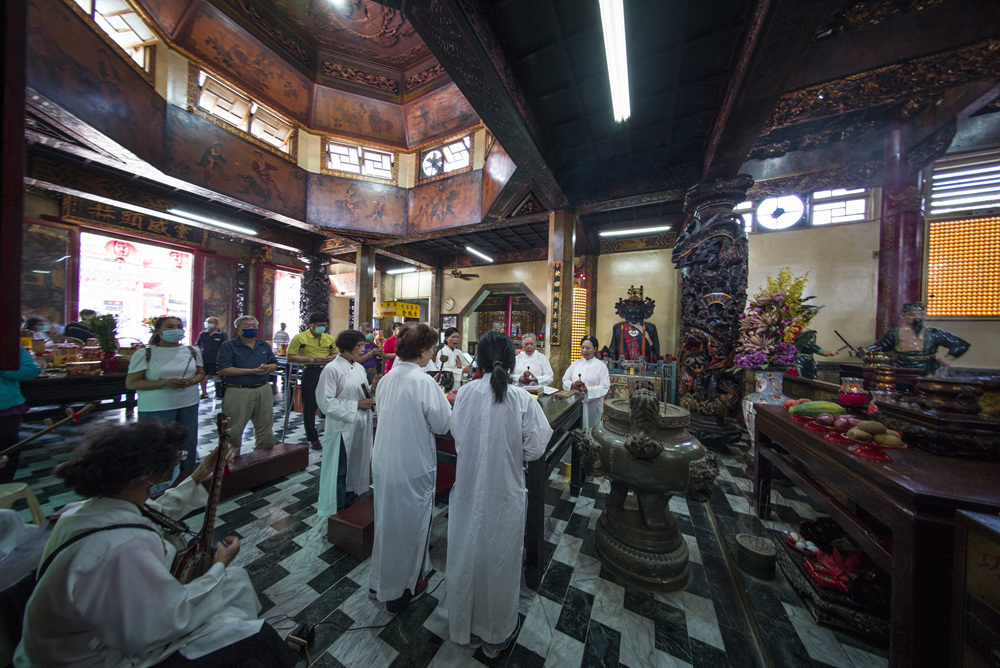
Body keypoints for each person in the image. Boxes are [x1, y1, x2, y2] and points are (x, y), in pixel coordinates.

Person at [14, 421, 297, 668]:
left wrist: (201, 473)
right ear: (145, 474)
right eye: (176, 457)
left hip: (102, 633)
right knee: (254, 637)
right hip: (97, 657)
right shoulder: (122, 548)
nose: (177, 460)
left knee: (235, 581)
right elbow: (165, 620)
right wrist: (219, 563)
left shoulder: (93, 506)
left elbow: (154, 509)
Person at [442, 331, 552, 657]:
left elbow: (457, 435)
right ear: (512, 359)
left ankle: (465, 624)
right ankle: (496, 631)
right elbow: (534, 449)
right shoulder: (520, 399)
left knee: (467, 552)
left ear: (480, 360)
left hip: (468, 491)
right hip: (504, 491)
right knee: (500, 560)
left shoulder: (464, 394)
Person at [369, 324, 451, 614]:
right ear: (422, 350)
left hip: (385, 462)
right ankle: (401, 590)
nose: (432, 354)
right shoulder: (423, 381)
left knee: (387, 523)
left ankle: (380, 580)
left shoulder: (388, 378)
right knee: (410, 527)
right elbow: (442, 424)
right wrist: (440, 394)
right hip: (412, 465)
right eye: (431, 349)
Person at [125, 316, 204, 471]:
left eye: (179, 326)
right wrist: (164, 383)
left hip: (188, 402)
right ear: (158, 330)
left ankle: (187, 476)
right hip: (157, 406)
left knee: (188, 442)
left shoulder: (192, 351)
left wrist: (193, 380)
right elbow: (132, 383)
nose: (175, 330)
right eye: (169, 326)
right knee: (158, 444)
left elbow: (201, 373)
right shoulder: (144, 354)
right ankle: (159, 482)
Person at [315, 330, 374, 516]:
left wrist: (374, 389)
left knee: (356, 465)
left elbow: (362, 393)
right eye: (360, 346)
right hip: (343, 427)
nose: (363, 349)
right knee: (341, 469)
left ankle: (351, 502)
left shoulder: (358, 367)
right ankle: (337, 508)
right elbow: (326, 402)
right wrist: (356, 405)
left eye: (363, 345)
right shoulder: (332, 369)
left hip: (360, 424)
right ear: (347, 347)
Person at [216, 316, 278, 454]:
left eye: (254, 326)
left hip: (263, 388)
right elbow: (224, 369)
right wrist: (251, 371)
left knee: (265, 426)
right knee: (233, 429)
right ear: (238, 330)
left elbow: (274, 363)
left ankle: (264, 457)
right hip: (238, 391)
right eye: (247, 326)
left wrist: (268, 368)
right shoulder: (229, 346)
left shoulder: (263, 345)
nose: (251, 329)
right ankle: (230, 460)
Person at [857, 301, 970, 376]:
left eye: (920, 314)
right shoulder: (893, 333)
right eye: (912, 314)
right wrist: (864, 351)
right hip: (900, 369)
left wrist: (949, 358)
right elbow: (881, 346)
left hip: (927, 370)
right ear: (903, 316)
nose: (917, 318)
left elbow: (961, 344)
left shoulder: (934, 333)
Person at [286, 312, 337, 450]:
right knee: (310, 405)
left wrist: (331, 358)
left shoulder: (328, 338)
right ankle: (313, 438)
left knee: (331, 401)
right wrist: (311, 359)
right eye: (319, 325)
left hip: (327, 371)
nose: (322, 327)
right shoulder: (300, 338)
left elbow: (335, 352)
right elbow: (290, 357)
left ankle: (333, 434)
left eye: (324, 325)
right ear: (311, 325)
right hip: (311, 371)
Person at [0, 347, 42, 484]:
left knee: (7, 454)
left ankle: (4, 491)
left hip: (6, 409)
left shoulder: (9, 346)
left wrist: (6, 369)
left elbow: (33, 370)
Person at [562, 335, 612, 429]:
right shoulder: (575, 364)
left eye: (588, 348)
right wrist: (572, 384)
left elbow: (604, 387)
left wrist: (587, 390)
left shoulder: (601, 366)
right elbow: (565, 380)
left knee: (590, 431)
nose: (584, 350)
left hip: (592, 406)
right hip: (575, 404)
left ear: (595, 349)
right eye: (582, 347)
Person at [195, 316, 228, 399]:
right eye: (207, 322)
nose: (207, 324)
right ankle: (204, 393)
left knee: (216, 377)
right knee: (203, 376)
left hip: (215, 360)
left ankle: (218, 393)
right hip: (203, 359)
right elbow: (198, 345)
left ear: (216, 324)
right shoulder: (203, 334)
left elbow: (225, 348)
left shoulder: (221, 335)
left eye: (210, 322)